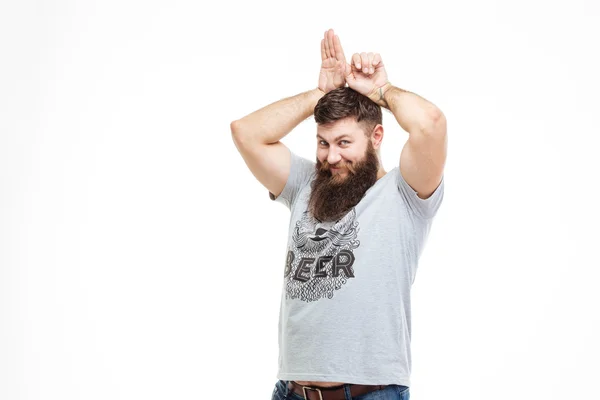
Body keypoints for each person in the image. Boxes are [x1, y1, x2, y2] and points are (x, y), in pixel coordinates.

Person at [230, 28, 447, 400]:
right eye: (323, 142)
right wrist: (318, 96)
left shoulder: (403, 194)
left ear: (377, 137)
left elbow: (430, 124)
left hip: (370, 394)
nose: (331, 156)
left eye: (345, 142)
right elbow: (246, 132)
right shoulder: (305, 184)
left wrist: (381, 92)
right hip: (291, 392)